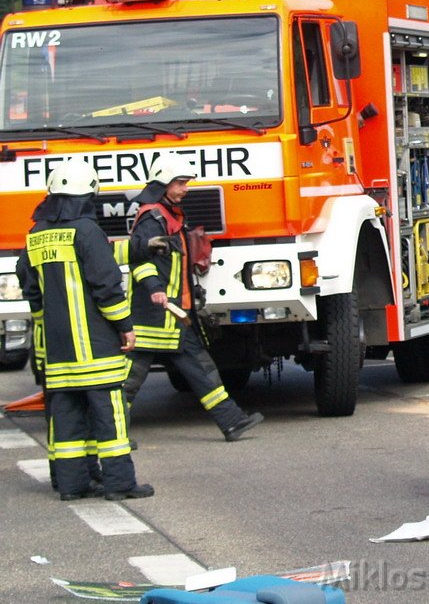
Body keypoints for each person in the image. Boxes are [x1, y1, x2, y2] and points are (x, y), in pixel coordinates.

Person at [15, 162, 154, 501]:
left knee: (66, 420)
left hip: (59, 349)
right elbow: (106, 285)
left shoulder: (36, 234)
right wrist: (125, 326)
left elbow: (29, 285)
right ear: (88, 194)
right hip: (95, 345)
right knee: (110, 417)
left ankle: (73, 485)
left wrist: (45, 328)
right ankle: (120, 484)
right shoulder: (87, 230)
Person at [123, 159, 263, 441]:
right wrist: (154, 288)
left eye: (186, 183)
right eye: (180, 183)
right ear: (162, 184)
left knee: (201, 369)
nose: (185, 189)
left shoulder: (169, 214)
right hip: (155, 316)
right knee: (129, 381)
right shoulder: (152, 218)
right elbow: (139, 259)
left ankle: (232, 420)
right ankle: (110, 435)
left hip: (174, 314)